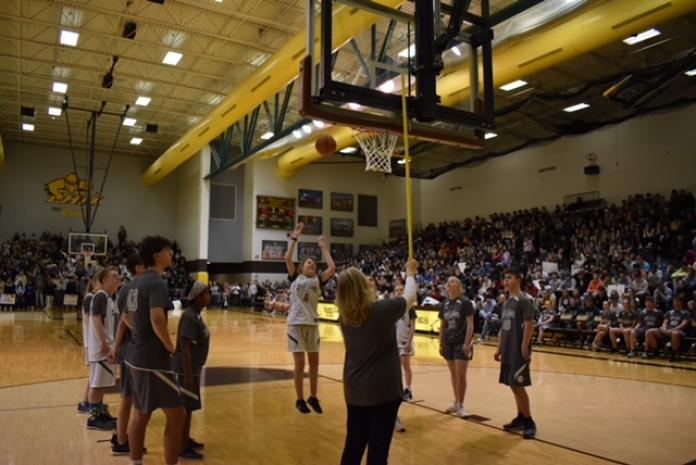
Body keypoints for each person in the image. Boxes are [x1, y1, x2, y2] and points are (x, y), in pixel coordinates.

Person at [336, 259, 418, 465]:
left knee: (353, 446)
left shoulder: (343, 317)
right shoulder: (381, 310)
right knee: (378, 452)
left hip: (354, 391)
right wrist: (410, 273)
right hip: (382, 391)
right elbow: (409, 296)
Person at [123, 236, 185, 465]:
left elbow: (127, 317)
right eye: (169, 251)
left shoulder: (133, 284)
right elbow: (157, 318)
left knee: (141, 413)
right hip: (152, 358)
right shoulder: (157, 283)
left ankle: (135, 462)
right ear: (157, 255)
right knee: (178, 415)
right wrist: (170, 346)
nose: (172, 254)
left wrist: (139, 334)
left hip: (134, 355)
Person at [285, 223, 336, 414]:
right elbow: (287, 258)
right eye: (308, 262)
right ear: (301, 267)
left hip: (313, 324)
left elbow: (332, 267)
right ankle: (299, 399)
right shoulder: (295, 278)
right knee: (300, 364)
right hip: (296, 324)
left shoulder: (318, 280)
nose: (312, 264)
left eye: (314, 264)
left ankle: (313, 396)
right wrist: (295, 237)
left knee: (315, 363)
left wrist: (323, 247)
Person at [495, 268, 537, 439]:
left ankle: (529, 421)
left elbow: (529, 324)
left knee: (517, 385)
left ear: (519, 279)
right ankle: (520, 417)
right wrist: (499, 348)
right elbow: (503, 328)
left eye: (509, 277)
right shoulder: (506, 303)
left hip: (519, 350)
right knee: (513, 385)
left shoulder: (525, 300)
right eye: (505, 278)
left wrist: (524, 346)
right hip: (508, 349)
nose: (506, 281)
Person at [110, 254, 146, 455]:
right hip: (131, 349)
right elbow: (125, 318)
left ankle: (122, 436)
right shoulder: (132, 289)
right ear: (138, 267)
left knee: (130, 396)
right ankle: (122, 439)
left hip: (128, 348)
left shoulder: (129, 289)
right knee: (128, 396)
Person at [172, 281, 211, 460]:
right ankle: (181, 446)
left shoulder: (196, 315)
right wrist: (187, 375)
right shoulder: (189, 316)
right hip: (185, 370)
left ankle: (185, 439)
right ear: (196, 297)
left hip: (193, 369)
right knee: (185, 408)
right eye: (205, 293)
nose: (208, 296)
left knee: (189, 407)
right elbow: (185, 347)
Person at [86, 266, 121, 430]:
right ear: (105, 280)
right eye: (114, 275)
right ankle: (94, 418)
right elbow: (96, 321)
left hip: (107, 347)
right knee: (96, 384)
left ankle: (100, 413)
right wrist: (105, 345)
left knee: (101, 384)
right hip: (101, 349)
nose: (118, 278)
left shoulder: (109, 298)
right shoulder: (100, 296)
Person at [438, 276, 475, 418]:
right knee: (453, 374)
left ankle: (461, 404)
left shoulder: (465, 303)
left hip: (461, 342)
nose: (449, 283)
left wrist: (467, 343)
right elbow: (442, 325)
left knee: (461, 374)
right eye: (448, 282)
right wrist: (441, 342)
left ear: (459, 287)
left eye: (453, 281)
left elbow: (471, 324)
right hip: (448, 342)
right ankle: (456, 401)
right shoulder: (444, 304)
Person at [393, 282, 417, 433]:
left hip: (404, 341)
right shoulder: (392, 307)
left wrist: (409, 342)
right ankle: (399, 389)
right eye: (396, 290)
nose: (399, 291)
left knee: (405, 365)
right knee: (395, 368)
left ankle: (408, 388)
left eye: (401, 289)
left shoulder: (410, 308)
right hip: (393, 342)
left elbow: (413, 326)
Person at [77, 274, 100, 414]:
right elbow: (91, 321)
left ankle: (87, 401)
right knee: (93, 375)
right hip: (91, 342)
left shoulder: (92, 298)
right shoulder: (90, 298)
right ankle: (86, 402)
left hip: (91, 341)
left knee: (93, 375)